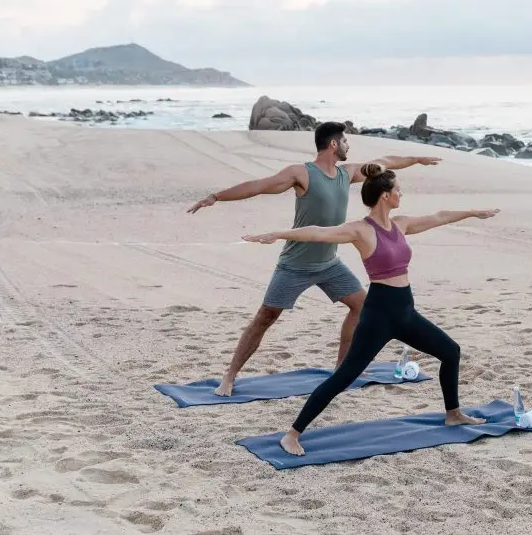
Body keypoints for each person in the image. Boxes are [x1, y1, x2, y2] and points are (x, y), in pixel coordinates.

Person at [241, 163, 499, 456]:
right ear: (386, 195)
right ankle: (292, 434)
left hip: (405, 311)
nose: (402, 193)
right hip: (379, 315)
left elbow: (438, 217)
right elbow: (318, 232)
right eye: (398, 189)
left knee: (450, 352)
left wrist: (472, 212)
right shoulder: (361, 230)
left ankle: (453, 413)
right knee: (344, 376)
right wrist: (276, 233)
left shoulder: (401, 224)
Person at [186, 121, 441, 396]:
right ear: (333, 144)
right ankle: (230, 375)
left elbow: (384, 161)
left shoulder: (348, 173)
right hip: (295, 264)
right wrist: (216, 196)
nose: (348, 145)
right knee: (265, 317)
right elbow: (260, 185)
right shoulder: (302, 173)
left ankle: (342, 368)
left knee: (361, 307)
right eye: (344, 141)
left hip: (330, 264)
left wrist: (416, 159)